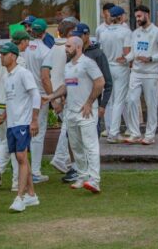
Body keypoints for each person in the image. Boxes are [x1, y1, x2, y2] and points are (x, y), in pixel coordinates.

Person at [44, 37, 104, 193]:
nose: (66, 49)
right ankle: (82, 176)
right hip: (71, 112)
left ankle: (94, 180)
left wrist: (90, 102)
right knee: (75, 146)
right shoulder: (68, 66)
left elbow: (100, 82)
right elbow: (66, 86)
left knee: (90, 146)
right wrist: (52, 97)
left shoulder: (88, 63)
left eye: (68, 46)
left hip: (87, 112)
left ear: (78, 47)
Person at [0, 42, 41, 212]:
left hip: (23, 122)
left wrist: (34, 120)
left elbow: (35, 95)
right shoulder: (6, 77)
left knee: (21, 158)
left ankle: (20, 197)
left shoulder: (23, 73)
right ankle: (32, 195)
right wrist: (4, 116)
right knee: (22, 159)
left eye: (4, 54)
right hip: (12, 123)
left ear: (13, 56)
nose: (1, 57)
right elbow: (10, 100)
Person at [0, 31, 29, 192]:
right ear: (21, 43)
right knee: (16, 144)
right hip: (13, 105)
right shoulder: (21, 61)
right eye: (26, 41)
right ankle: (16, 181)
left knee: (5, 141)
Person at [125, 5, 158, 145]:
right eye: (136, 17)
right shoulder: (136, 33)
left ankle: (149, 135)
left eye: (139, 16)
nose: (137, 19)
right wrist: (125, 59)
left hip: (150, 74)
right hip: (136, 73)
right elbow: (133, 52)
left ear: (147, 15)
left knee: (151, 104)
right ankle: (135, 133)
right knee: (131, 100)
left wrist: (150, 58)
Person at [46, 20, 79, 183]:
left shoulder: (53, 48)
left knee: (69, 127)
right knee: (68, 128)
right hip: (63, 94)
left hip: (59, 93)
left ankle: (64, 160)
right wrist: (58, 98)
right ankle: (61, 159)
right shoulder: (66, 49)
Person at [23, 19, 53, 184]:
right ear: (45, 32)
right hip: (39, 95)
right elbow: (45, 78)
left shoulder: (23, 48)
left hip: (24, 94)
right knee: (38, 134)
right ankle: (34, 171)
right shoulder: (45, 51)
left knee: (24, 130)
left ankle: (22, 169)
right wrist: (52, 96)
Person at [97, 6, 132, 143]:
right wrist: (128, 59)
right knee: (119, 100)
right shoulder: (125, 31)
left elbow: (101, 51)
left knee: (110, 100)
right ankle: (113, 133)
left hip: (107, 67)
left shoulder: (104, 32)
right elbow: (127, 53)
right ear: (121, 17)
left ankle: (110, 129)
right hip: (120, 67)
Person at [71, 23, 112, 136]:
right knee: (73, 140)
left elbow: (108, 83)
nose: (76, 39)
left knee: (91, 140)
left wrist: (103, 105)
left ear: (87, 35)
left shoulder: (98, 54)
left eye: (79, 36)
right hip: (74, 104)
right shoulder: (73, 52)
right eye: (75, 36)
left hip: (92, 104)